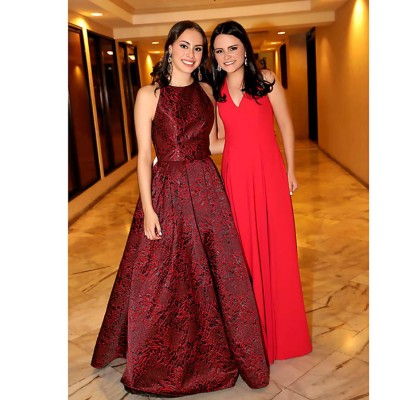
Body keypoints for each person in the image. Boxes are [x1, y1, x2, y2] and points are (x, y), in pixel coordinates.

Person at [90, 20, 269, 396]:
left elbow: (216, 142)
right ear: (170, 47)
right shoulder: (149, 95)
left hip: (206, 188)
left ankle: (217, 353)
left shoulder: (206, 90)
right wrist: (148, 209)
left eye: (198, 48)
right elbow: (144, 157)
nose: (191, 54)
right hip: (167, 190)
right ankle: (155, 357)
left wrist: (258, 139)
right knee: (161, 277)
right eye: (184, 45)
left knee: (216, 274)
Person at [209, 20, 313, 364]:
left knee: (277, 249)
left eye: (232, 48)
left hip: (269, 174)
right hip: (236, 178)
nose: (226, 56)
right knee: (245, 254)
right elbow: (216, 142)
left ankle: (285, 337)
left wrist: (291, 169)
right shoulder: (216, 92)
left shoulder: (266, 80)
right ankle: (255, 339)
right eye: (219, 50)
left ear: (245, 49)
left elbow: (286, 124)